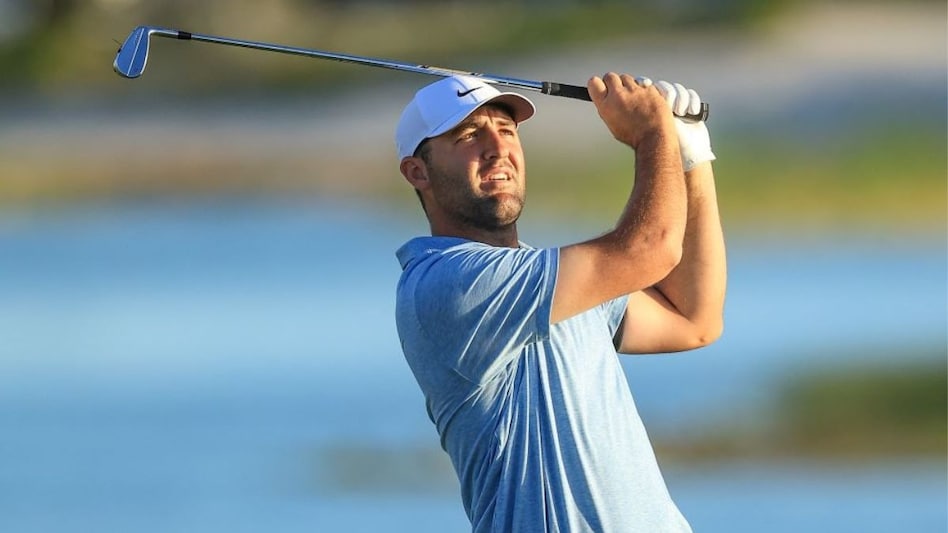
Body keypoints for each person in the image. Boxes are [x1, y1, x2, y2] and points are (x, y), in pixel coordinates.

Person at [393, 73, 726, 533]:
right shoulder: (446, 284)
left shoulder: (548, 280)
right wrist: (653, 134)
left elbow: (693, 320)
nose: (496, 147)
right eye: (468, 136)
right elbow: (650, 250)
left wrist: (691, 159)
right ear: (418, 172)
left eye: (506, 130)